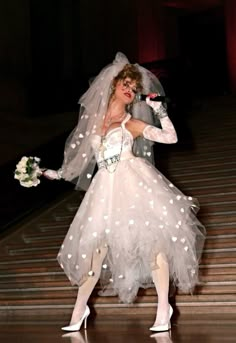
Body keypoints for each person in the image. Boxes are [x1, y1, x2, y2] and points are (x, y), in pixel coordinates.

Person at [44, 52, 205, 332]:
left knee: (153, 244)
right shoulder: (96, 124)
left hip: (133, 184)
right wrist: (49, 173)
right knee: (94, 251)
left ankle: (163, 308)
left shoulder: (131, 124)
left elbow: (171, 137)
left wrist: (160, 112)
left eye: (134, 88)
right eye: (126, 85)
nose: (130, 91)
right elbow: (78, 162)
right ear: (113, 86)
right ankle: (79, 311)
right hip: (104, 190)